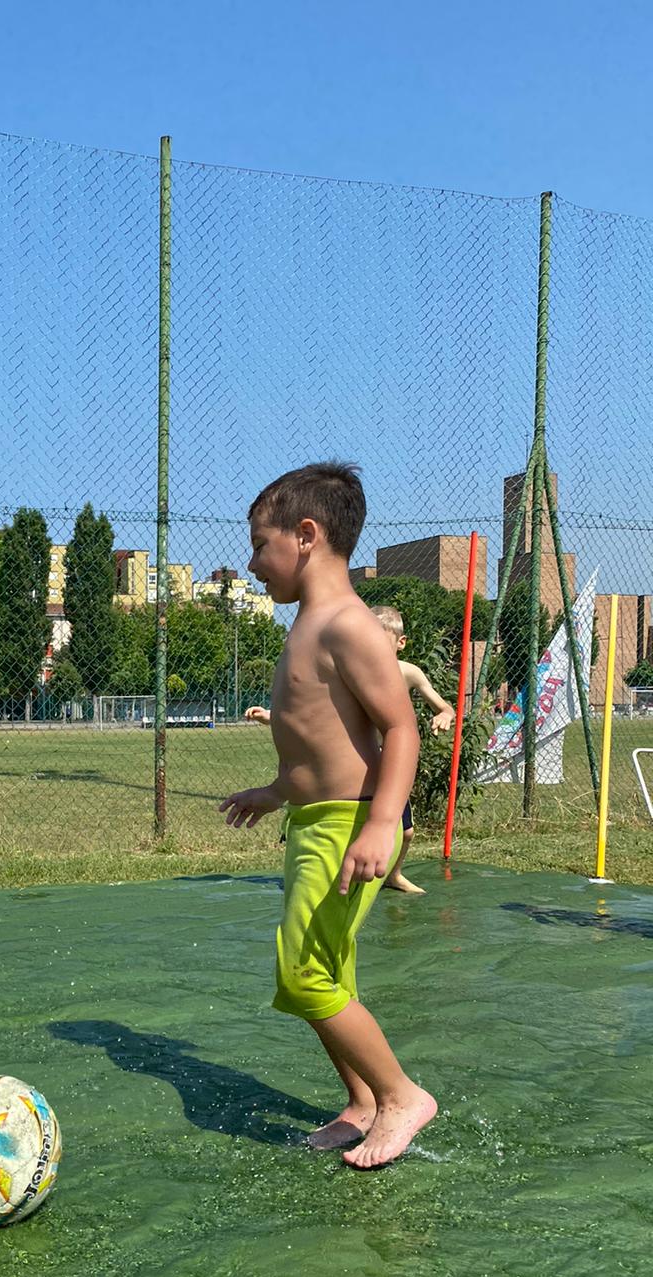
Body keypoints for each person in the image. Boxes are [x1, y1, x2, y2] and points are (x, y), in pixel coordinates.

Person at [220, 462, 437, 1169]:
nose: (253, 563)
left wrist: (382, 823)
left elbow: (400, 730)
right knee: (326, 969)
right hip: (316, 821)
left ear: (306, 535)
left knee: (304, 973)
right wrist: (275, 790)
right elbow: (320, 744)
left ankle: (401, 1096)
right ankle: (363, 1101)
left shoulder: (348, 625)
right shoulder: (308, 624)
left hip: (352, 825)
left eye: (261, 545)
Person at [244, 603, 455, 895]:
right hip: (354, 760)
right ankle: (312, 867)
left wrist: (444, 714)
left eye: (381, 641)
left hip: (388, 761)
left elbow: (444, 706)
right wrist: (272, 717)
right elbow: (318, 714)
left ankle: (393, 874)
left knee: (406, 831)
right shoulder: (351, 671)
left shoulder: (408, 672)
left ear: (401, 643)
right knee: (340, 820)